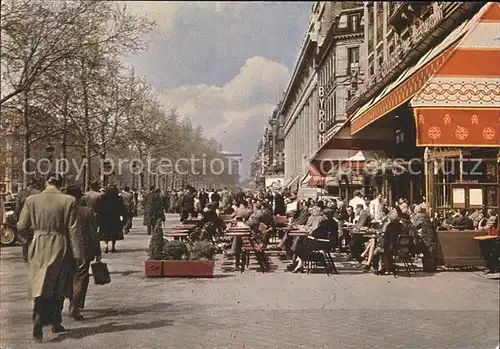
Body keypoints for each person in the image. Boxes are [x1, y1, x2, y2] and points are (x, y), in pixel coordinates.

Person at [17, 174, 84, 341]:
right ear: (60, 184)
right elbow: (73, 230)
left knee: (39, 284)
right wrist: (78, 254)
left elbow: (21, 225)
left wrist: (29, 238)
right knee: (58, 284)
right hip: (60, 244)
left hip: (38, 244)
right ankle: (55, 321)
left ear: (46, 182)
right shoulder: (68, 201)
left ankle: (38, 322)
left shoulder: (31, 200)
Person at [64, 186, 101, 321]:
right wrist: (97, 251)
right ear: (80, 197)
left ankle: (70, 300)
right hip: (84, 249)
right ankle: (75, 305)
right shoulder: (87, 211)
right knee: (81, 277)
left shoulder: (64, 211)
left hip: (66, 249)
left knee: (68, 276)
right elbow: (93, 233)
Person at [13, 177, 41, 262]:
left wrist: (17, 218)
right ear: (35, 184)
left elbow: (17, 207)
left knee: (24, 239)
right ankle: (34, 256)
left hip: (24, 217)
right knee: (35, 237)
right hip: (35, 218)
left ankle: (26, 257)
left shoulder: (21, 193)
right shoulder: (39, 193)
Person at [98, 185, 126, 253]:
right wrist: (122, 216)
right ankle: (113, 247)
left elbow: (100, 207)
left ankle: (106, 245)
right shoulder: (118, 198)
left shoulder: (103, 197)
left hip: (105, 217)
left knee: (106, 232)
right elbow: (122, 208)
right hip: (115, 217)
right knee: (114, 232)